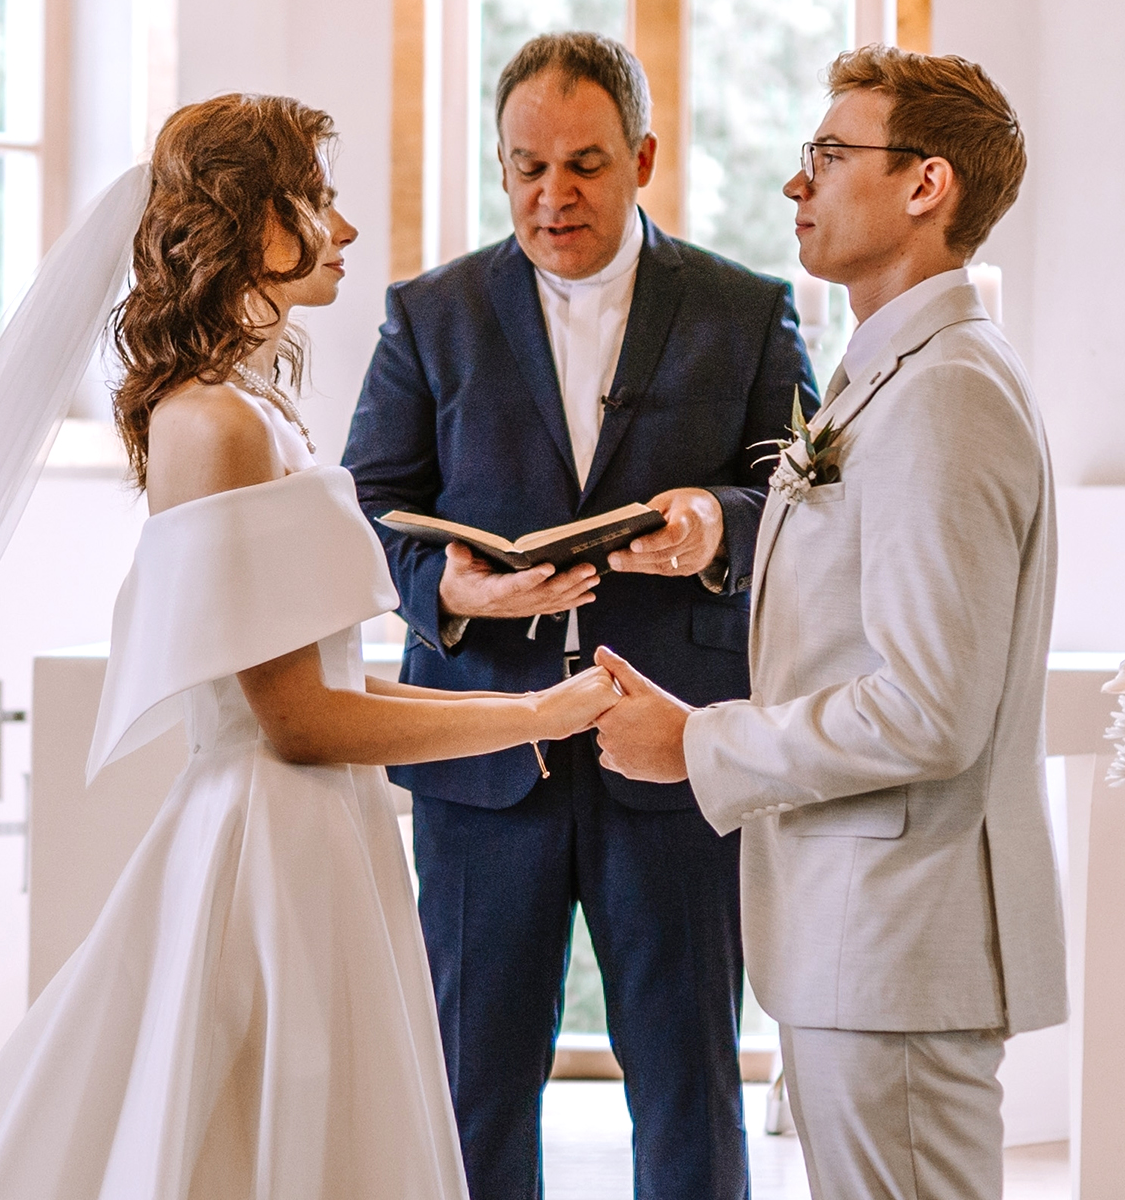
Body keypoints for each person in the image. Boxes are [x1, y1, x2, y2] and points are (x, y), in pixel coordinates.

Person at [0, 94, 622, 1200]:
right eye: (318, 200)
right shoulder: (216, 425)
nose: (343, 230)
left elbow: (319, 682)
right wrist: (532, 715)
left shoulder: (251, 411)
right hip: (267, 843)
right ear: (252, 220)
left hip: (320, 830)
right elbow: (295, 719)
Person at [342, 31, 815, 1200]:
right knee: (473, 1082)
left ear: (643, 156)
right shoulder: (430, 311)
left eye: (586, 165)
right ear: (501, 169)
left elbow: (808, 495)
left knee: (688, 1076)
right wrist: (450, 589)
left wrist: (715, 521)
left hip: (673, 745)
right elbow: (365, 500)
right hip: (480, 752)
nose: (553, 195)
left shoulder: (746, 309)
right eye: (527, 167)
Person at [592, 47, 1068, 1200]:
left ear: (925, 186)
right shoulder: (890, 375)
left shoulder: (946, 392)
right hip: (859, 940)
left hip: (898, 941)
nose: (795, 186)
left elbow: (928, 711)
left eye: (827, 156)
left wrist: (697, 743)